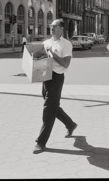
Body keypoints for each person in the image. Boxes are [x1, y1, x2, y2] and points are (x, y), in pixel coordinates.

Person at [33, 19, 77, 154]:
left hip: (57, 78)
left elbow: (66, 64)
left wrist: (53, 54)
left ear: (61, 29)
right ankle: (70, 124)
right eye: (50, 26)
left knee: (48, 109)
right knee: (53, 107)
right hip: (45, 76)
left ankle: (41, 142)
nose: (51, 28)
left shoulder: (66, 44)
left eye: (54, 26)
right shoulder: (45, 43)